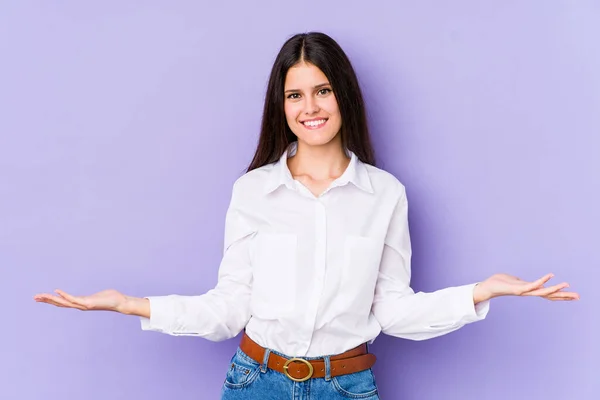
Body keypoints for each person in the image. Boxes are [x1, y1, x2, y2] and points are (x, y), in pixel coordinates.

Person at [34, 32, 580, 400]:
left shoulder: (385, 195)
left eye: (322, 90)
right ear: (282, 106)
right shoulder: (253, 191)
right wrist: (130, 304)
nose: (310, 106)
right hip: (256, 382)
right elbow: (230, 307)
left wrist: (479, 292)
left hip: (346, 385)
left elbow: (393, 311)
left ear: (343, 95)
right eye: (295, 95)